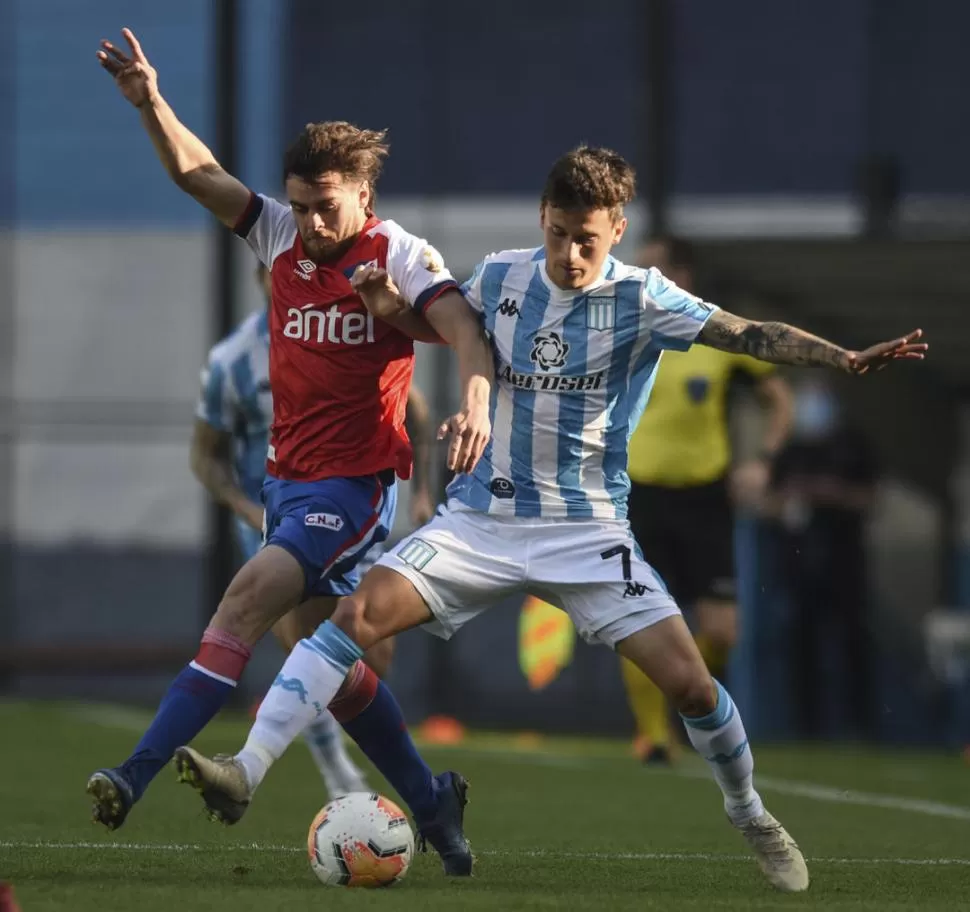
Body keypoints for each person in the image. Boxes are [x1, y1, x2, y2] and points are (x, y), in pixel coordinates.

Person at [178, 146, 926, 893]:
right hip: (483, 520)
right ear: (543, 218)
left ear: (618, 230)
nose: (569, 253)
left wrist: (844, 359)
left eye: (587, 240)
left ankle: (751, 811)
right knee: (351, 618)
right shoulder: (502, 276)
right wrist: (390, 311)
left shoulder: (645, 298)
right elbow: (445, 327)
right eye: (559, 232)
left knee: (693, 688)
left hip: (588, 532)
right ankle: (247, 769)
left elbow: (747, 332)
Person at [86, 29, 491, 877]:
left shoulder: (400, 254)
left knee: (244, 601)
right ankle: (432, 803)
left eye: (326, 207)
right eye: (299, 205)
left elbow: (459, 326)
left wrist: (476, 398)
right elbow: (199, 173)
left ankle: (136, 774)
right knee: (334, 673)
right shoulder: (279, 237)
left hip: (356, 487)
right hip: (289, 484)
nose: (308, 223)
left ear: (364, 196)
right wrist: (151, 103)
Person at [191, 261, 437, 798]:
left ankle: (395, 779)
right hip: (279, 520)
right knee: (302, 641)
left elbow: (413, 409)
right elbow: (204, 456)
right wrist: (242, 506)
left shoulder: (346, 332)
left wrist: (420, 488)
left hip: (352, 509)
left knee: (370, 655)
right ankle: (337, 778)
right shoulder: (232, 360)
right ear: (263, 278)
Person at [621, 236, 794, 764]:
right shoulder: (626, 331)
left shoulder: (715, 336)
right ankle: (653, 737)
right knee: (633, 622)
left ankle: (682, 687)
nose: (643, 276)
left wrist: (762, 461)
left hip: (704, 497)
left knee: (722, 630)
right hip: (638, 494)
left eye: (654, 267)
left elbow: (779, 399)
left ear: (682, 275)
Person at [766, 376, 878, 739]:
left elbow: (872, 497)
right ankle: (806, 727)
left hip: (845, 560)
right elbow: (767, 500)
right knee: (801, 645)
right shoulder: (792, 450)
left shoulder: (853, 444)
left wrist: (833, 494)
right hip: (799, 561)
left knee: (852, 643)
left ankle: (860, 725)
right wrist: (791, 497)